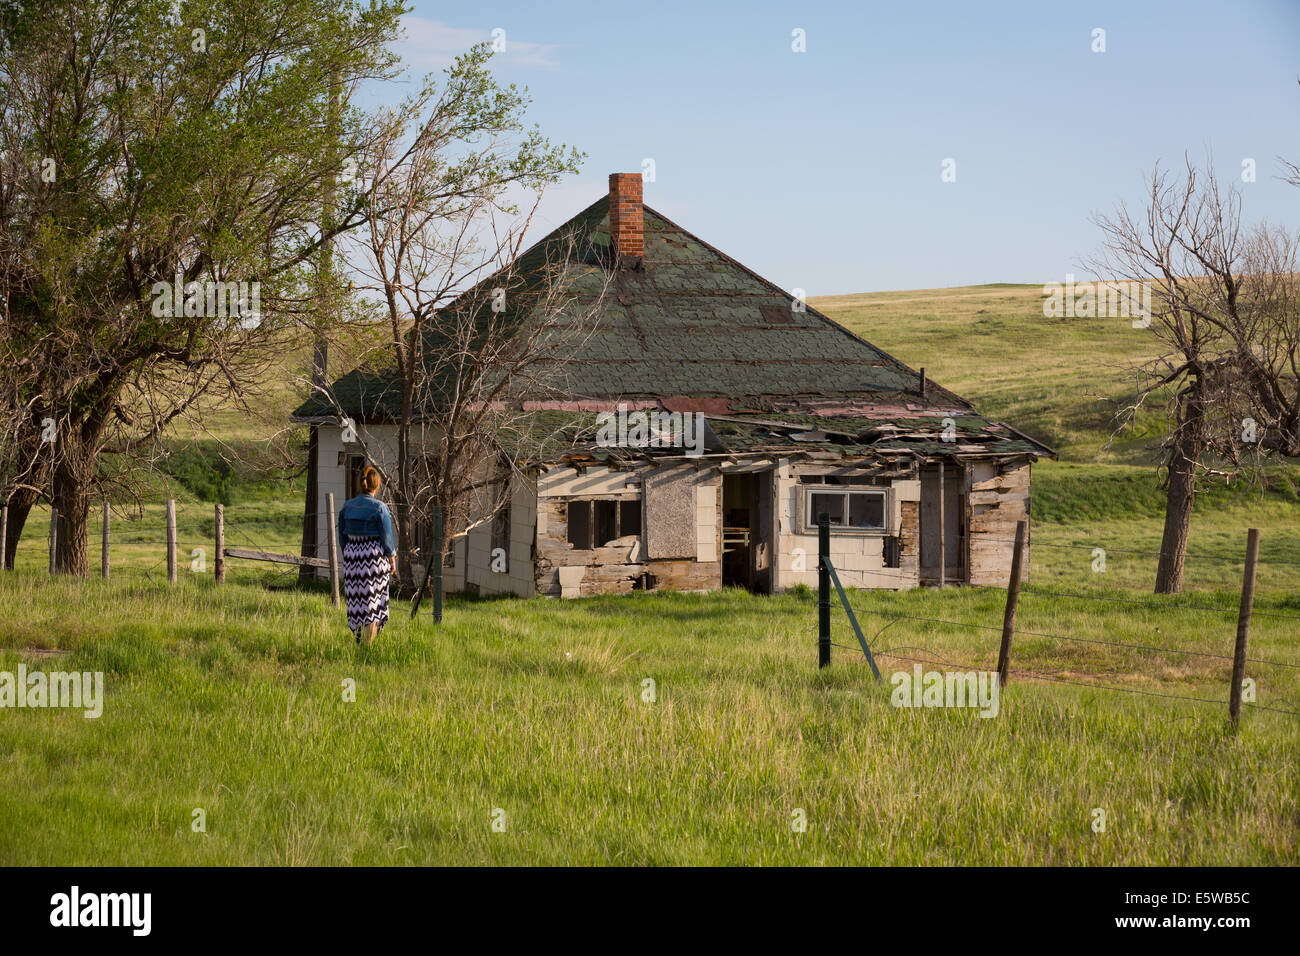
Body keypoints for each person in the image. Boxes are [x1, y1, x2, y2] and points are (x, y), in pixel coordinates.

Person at [338, 466, 397, 646]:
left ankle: (359, 641)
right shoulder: (380, 508)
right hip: (372, 557)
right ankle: (368, 646)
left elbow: (342, 537)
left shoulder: (347, 507)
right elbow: (386, 537)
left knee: (357, 602)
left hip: (352, 556)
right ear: (376, 485)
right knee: (373, 602)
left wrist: (350, 555)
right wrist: (392, 559)